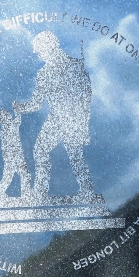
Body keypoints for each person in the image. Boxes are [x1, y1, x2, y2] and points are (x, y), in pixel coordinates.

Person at [13, 31, 95, 200]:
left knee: (67, 153)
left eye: (40, 51)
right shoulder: (69, 66)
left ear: (49, 47)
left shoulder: (67, 67)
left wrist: (20, 108)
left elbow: (86, 93)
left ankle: (44, 193)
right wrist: (22, 108)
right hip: (65, 117)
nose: (39, 55)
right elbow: (37, 103)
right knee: (62, 153)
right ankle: (46, 192)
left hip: (67, 117)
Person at [0, 109, 31, 198]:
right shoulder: (9, 126)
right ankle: (25, 194)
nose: (9, 115)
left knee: (9, 175)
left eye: (7, 113)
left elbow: (17, 122)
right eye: (6, 114)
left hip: (11, 157)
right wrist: (17, 110)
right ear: (3, 119)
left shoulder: (6, 127)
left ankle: (0, 191)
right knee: (25, 174)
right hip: (14, 156)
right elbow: (18, 121)